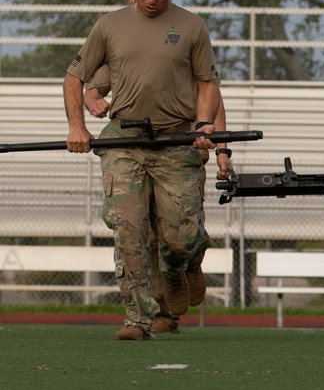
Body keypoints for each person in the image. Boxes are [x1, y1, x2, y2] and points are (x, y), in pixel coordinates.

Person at [64, 0, 221, 340]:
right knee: (129, 228)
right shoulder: (109, 26)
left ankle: (177, 270)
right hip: (125, 140)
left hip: (175, 139)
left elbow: (208, 83)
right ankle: (137, 318)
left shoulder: (191, 27)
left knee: (181, 236)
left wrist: (204, 125)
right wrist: (77, 126)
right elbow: (75, 78)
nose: (153, 0)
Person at [84, 60, 232, 334]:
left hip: (182, 150)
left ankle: (190, 262)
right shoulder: (122, 51)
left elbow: (214, 101)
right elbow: (92, 88)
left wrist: (223, 151)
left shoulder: (185, 52)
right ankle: (163, 313)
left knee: (181, 230)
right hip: (135, 150)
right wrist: (93, 100)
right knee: (143, 235)